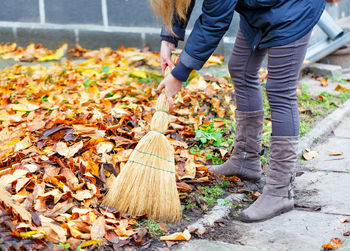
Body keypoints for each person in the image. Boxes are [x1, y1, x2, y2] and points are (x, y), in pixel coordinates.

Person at [151, 0, 326, 222]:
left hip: (294, 8)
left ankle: (280, 191)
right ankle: (246, 159)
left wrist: (179, 74)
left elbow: (214, 21)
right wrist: (169, 37)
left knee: (280, 90)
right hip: (260, 7)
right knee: (241, 68)